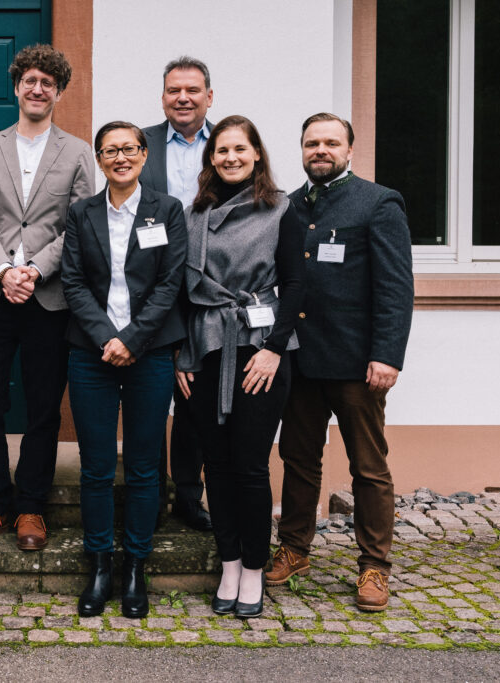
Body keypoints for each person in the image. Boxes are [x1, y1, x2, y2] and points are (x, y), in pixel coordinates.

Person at [268, 113, 413, 613]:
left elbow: (395, 288)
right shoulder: (287, 206)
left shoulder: (378, 202)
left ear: (350, 150)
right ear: (302, 150)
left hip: (357, 364)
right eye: (312, 143)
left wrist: (387, 355)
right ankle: (295, 549)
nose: (321, 150)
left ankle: (375, 565)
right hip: (302, 361)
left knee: (369, 469)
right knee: (298, 461)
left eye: (331, 142)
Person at [0, 44, 94, 551]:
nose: (38, 89)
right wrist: (3, 270)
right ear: (17, 86)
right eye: (30, 80)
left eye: (48, 83)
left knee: (42, 408)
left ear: (58, 92)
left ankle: (31, 506)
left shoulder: (79, 152)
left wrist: (34, 269)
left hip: (49, 297)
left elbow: (79, 224)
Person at [175, 115, 305, 619]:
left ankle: (253, 567)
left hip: (262, 351)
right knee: (216, 466)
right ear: (212, 159)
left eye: (239, 149)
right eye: (221, 150)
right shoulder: (195, 215)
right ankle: (229, 562)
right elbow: (184, 296)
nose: (230, 157)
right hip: (207, 348)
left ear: (256, 155)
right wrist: (183, 356)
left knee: (249, 466)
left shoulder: (280, 210)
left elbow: (295, 284)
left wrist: (274, 347)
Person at [61, 121, 186, 619]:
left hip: (150, 352)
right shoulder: (81, 213)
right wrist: (106, 338)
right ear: (98, 158)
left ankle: (135, 565)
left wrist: (131, 340)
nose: (120, 157)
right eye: (110, 150)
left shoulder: (167, 210)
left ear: (142, 154)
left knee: (142, 466)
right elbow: (73, 283)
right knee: (94, 467)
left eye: (129, 149)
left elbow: (170, 284)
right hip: (90, 352)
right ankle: (98, 563)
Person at [139, 56, 215, 532]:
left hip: (208, 289)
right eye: (173, 90)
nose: (182, 98)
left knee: (196, 397)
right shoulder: (140, 144)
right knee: (150, 394)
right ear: (162, 95)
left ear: (209, 95)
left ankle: (189, 494)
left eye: (191, 90)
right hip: (151, 286)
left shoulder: (227, 145)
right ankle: (150, 492)